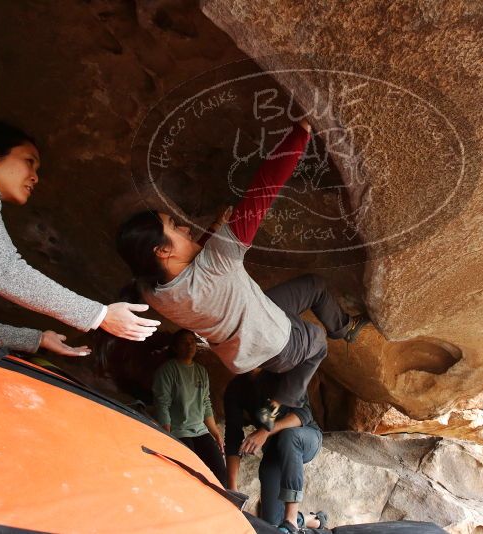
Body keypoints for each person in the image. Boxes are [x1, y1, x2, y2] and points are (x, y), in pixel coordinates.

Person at [116, 118, 368, 428]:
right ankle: (276, 405)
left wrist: (211, 230)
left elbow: (193, 268)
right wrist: (301, 132)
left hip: (245, 339)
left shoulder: (151, 290)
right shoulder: (218, 261)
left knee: (314, 286)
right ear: (161, 251)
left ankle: (345, 327)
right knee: (317, 342)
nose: (182, 227)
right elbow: (263, 191)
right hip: (275, 343)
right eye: (172, 226)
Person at [0, 120, 159, 355]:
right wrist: (99, 315)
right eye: (29, 161)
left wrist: (36, 339)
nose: (35, 177)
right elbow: (4, 271)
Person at [224, 370, 327, 533]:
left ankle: (291, 521)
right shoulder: (236, 387)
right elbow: (232, 436)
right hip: (275, 451)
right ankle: (312, 520)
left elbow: (304, 414)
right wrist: (232, 490)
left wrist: (264, 432)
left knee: (289, 436)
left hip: (306, 436)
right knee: (270, 523)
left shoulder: (283, 373)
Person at [152, 329, 227, 486]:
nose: (189, 345)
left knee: (220, 472)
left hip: (200, 430)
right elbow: (162, 403)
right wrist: (166, 435)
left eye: (192, 342)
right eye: (184, 342)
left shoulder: (201, 371)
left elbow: (206, 403)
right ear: (174, 347)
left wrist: (216, 434)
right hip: (178, 431)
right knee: (189, 473)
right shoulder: (167, 370)